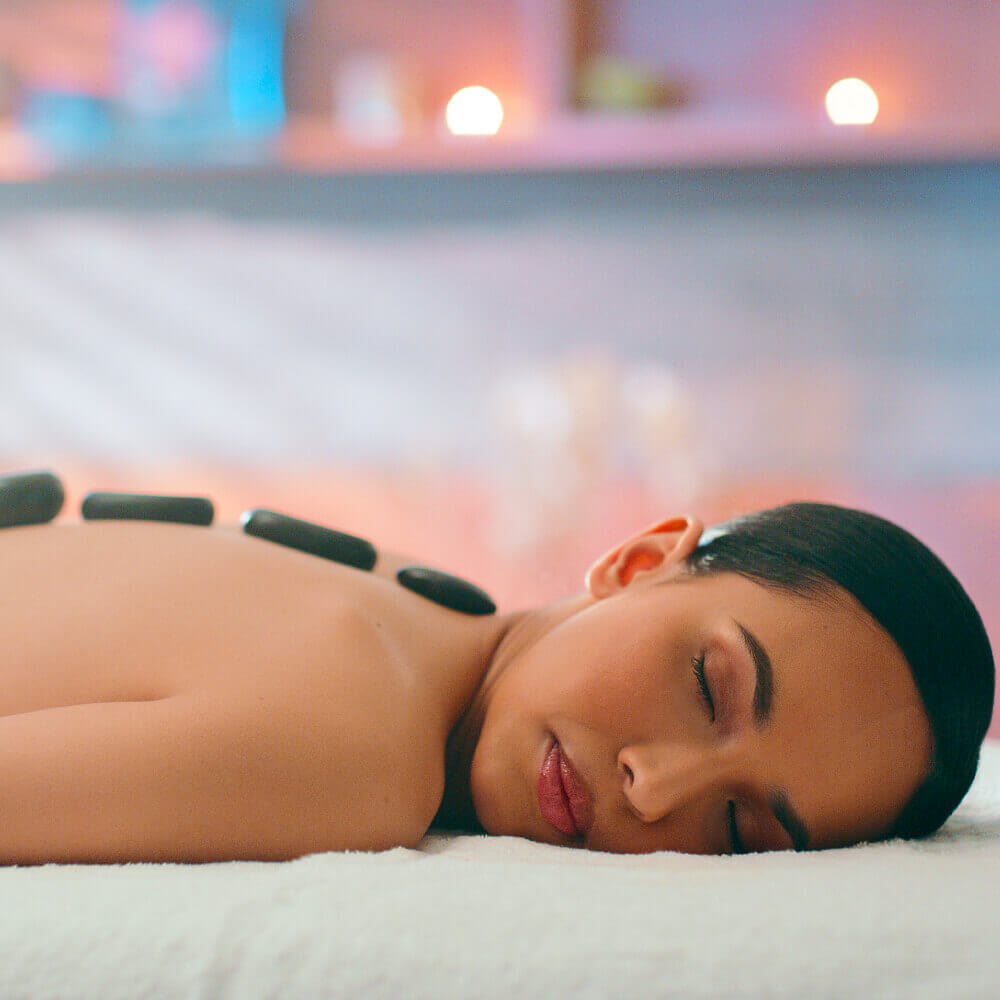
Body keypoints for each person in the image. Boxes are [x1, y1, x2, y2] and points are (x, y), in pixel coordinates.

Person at [0, 496, 993, 864]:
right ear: (639, 562)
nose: (659, 788)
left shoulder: (395, 606)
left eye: (740, 827)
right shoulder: (359, 756)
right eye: (707, 686)